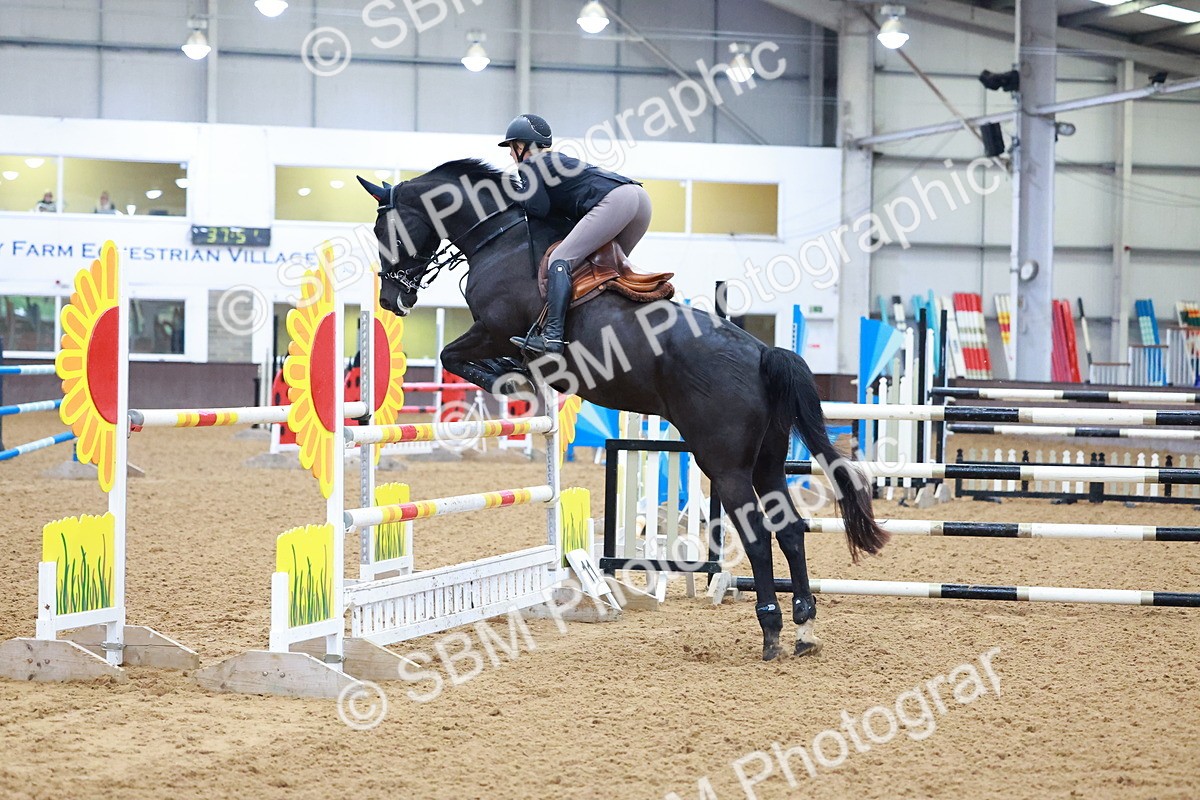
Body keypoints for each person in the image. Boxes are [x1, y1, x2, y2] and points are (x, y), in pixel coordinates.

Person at [499, 113, 652, 355]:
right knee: (601, 270)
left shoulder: (531, 165)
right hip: (640, 201)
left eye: (511, 147)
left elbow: (539, 209)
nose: (509, 154)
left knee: (560, 259)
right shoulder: (555, 162)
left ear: (521, 146)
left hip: (617, 201)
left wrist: (516, 198)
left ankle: (552, 338)